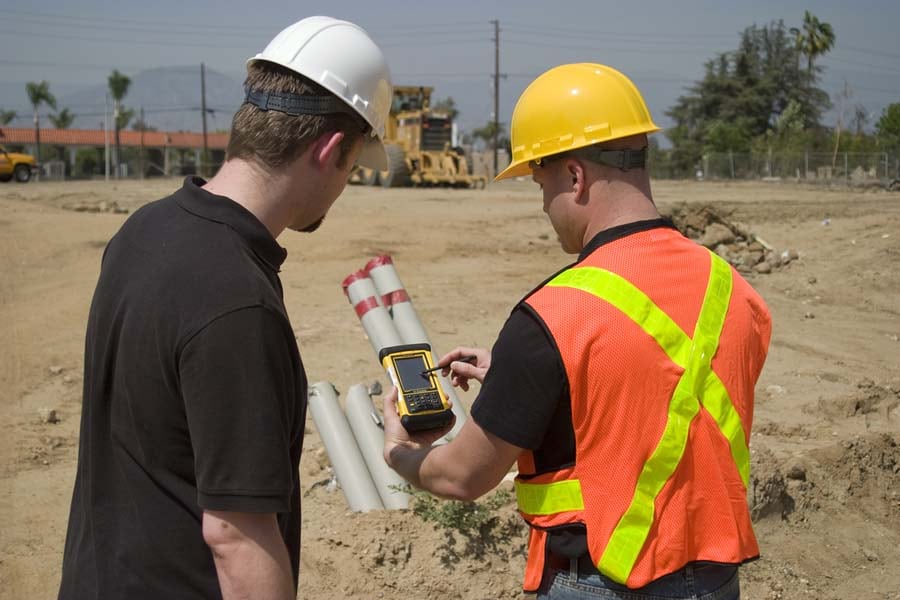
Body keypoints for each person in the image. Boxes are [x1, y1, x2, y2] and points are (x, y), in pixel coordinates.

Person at [382, 63, 771, 600]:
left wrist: (397, 451)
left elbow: (461, 477)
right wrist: (544, 386)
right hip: (716, 581)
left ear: (574, 176)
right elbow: (664, 393)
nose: (544, 205)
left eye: (542, 184)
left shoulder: (553, 315)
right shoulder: (737, 293)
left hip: (599, 582)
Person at [58, 16, 392, 600]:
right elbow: (236, 537)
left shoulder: (144, 231)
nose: (346, 187)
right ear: (332, 148)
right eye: (355, 167)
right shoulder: (238, 302)